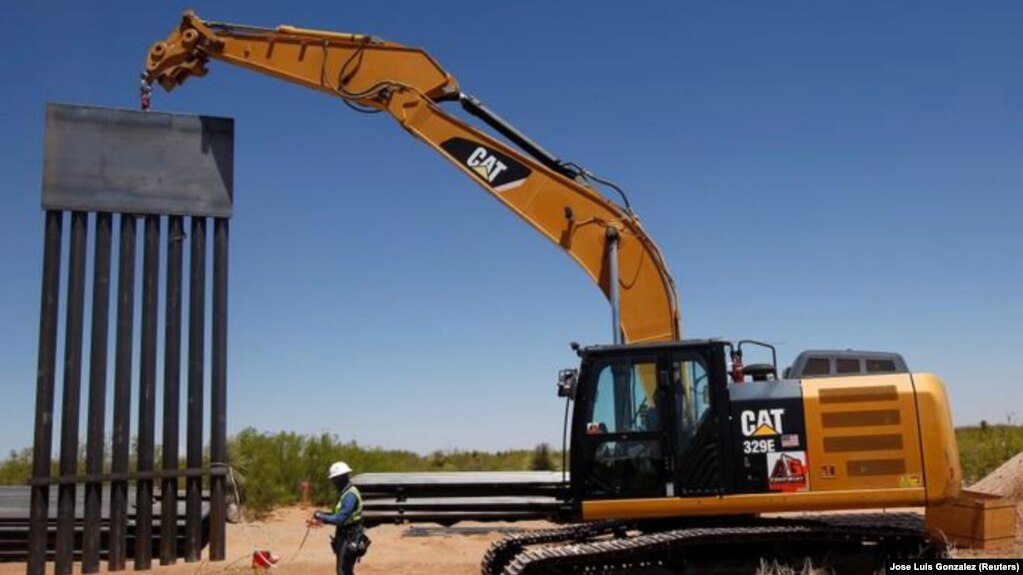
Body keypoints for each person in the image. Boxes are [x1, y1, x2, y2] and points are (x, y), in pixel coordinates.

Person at [308, 461, 367, 575]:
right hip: (344, 536)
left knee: (343, 571)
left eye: (334, 479)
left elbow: (340, 519)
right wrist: (321, 516)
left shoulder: (350, 495)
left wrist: (321, 516)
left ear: (341, 478)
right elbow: (336, 515)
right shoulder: (345, 493)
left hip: (350, 537)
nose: (333, 482)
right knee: (343, 571)